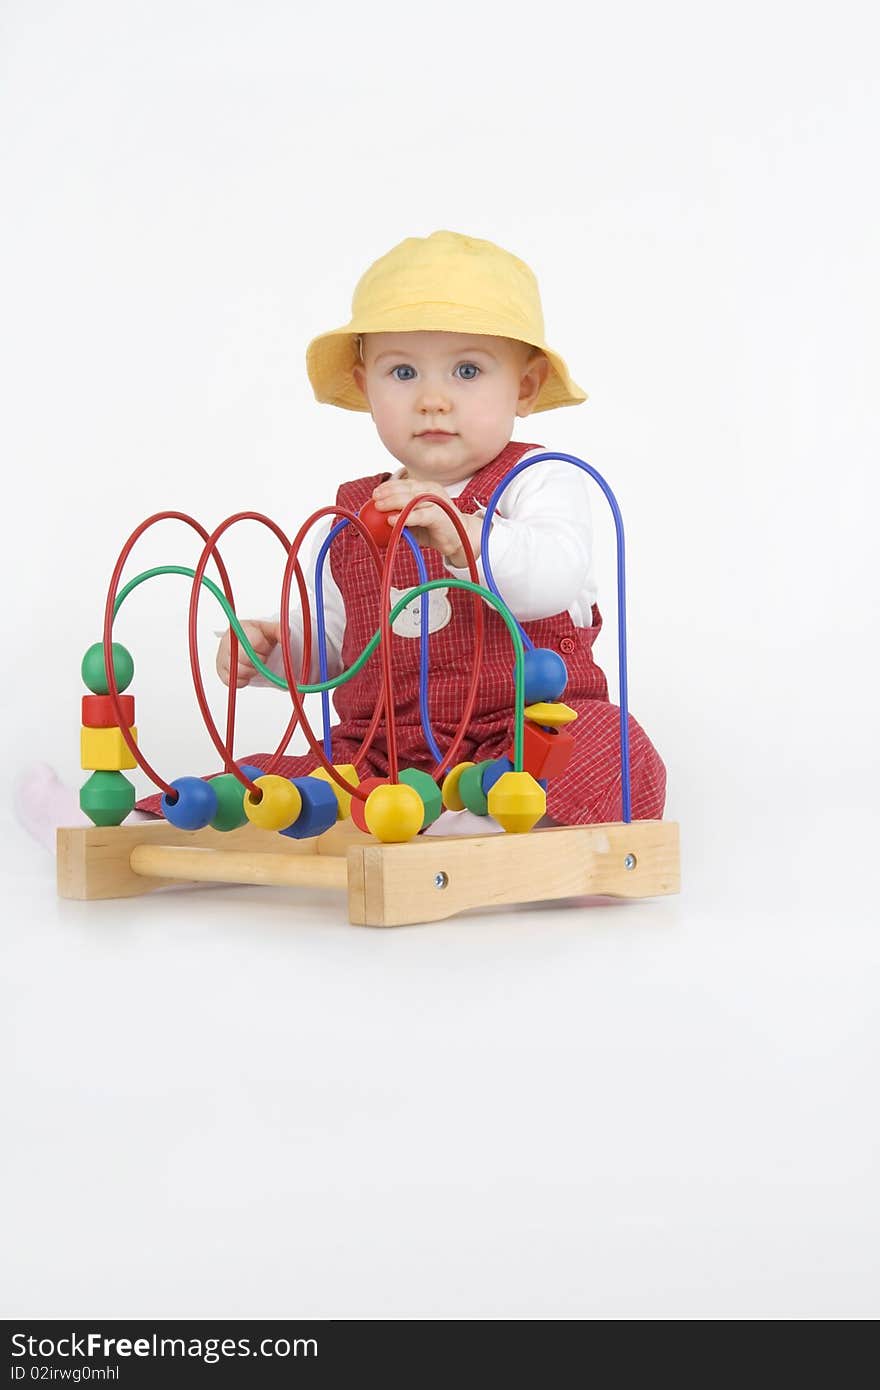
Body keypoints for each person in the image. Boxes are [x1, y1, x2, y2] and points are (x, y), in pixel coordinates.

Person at [15, 230, 665, 848]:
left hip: (516, 737)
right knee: (276, 777)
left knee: (614, 748)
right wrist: (281, 653)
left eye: (467, 372)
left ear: (522, 387)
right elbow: (339, 648)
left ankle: (480, 831)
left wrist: (462, 533)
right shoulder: (356, 515)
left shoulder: (539, 481)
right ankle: (114, 829)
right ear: (365, 386)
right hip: (381, 756)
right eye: (403, 373)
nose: (433, 399)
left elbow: (549, 577)